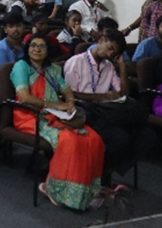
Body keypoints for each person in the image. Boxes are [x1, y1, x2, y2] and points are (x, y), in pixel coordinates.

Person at [11, 33, 105, 209]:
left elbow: (66, 89)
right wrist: (55, 105)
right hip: (31, 116)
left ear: (48, 50)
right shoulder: (21, 67)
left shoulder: (52, 69)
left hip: (56, 114)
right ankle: (55, 189)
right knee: (69, 140)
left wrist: (70, 103)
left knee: (93, 139)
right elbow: (24, 97)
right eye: (33, 45)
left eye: (42, 46)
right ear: (27, 48)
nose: (37, 49)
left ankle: (86, 191)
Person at [64, 30, 155, 184]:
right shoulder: (76, 62)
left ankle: (106, 169)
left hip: (107, 112)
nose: (110, 54)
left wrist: (122, 67)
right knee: (120, 138)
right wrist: (101, 97)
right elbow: (70, 95)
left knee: (147, 135)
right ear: (101, 40)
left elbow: (123, 93)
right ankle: (100, 174)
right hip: (85, 110)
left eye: (115, 53)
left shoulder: (108, 66)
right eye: (110, 48)